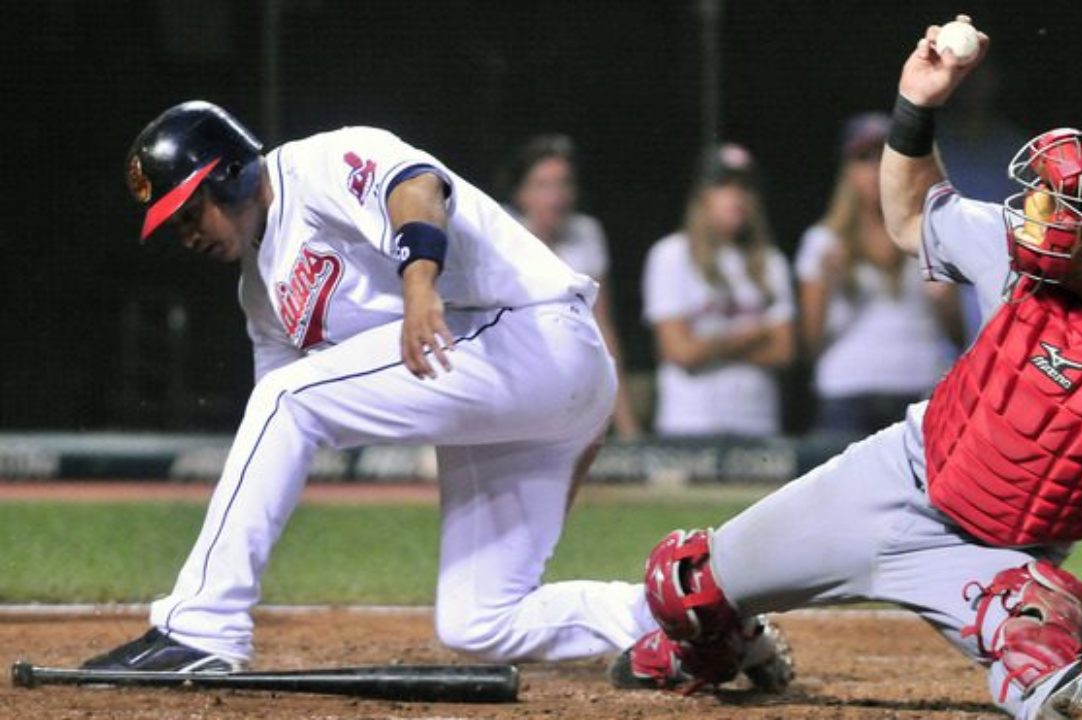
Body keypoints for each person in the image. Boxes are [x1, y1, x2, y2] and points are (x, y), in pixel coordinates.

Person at [608, 17, 1082, 720]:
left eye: (1068, 206)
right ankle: (724, 643)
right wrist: (917, 104)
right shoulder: (1020, 255)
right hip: (894, 475)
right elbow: (911, 212)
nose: (1042, 215)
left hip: (995, 556)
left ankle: (1060, 689)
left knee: (1037, 643)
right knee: (681, 583)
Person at [87, 101, 793, 685]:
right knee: (480, 620)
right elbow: (278, 415)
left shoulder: (319, 162)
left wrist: (419, 280)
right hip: (518, 387)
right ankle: (704, 620)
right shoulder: (260, 291)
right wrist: (575, 426)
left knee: (288, 402)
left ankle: (200, 626)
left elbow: (418, 186)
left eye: (188, 211)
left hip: (529, 332)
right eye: (172, 224)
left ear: (233, 176)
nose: (184, 234)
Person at [795, 112, 957, 440]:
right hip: (847, 393)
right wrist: (826, 284)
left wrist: (942, 300)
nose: (874, 170)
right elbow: (807, 345)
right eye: (863, 159)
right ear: (848, 171)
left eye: (884, 156)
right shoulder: (823, 242)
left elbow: (957, 335)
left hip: (918, 389)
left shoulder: (929, 234)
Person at [642, 143, 795, 438]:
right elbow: (679, 351)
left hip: (757, 423)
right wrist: (752, 334)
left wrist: (708, 347)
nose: (736, 197)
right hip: (689, 423)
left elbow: (784, 350)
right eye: (724, 186)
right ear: (702, 196)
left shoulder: (771, 261)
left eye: (744, 187)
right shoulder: (671, 254)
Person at [503, 134, 641, 439]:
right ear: (521, 192)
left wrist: (629, 430)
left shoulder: (587, 233)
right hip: (514, 395)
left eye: (563, 184)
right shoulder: (501, 234)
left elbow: (603, 330)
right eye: (543, 185)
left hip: (574, 397)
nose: (556, 196)